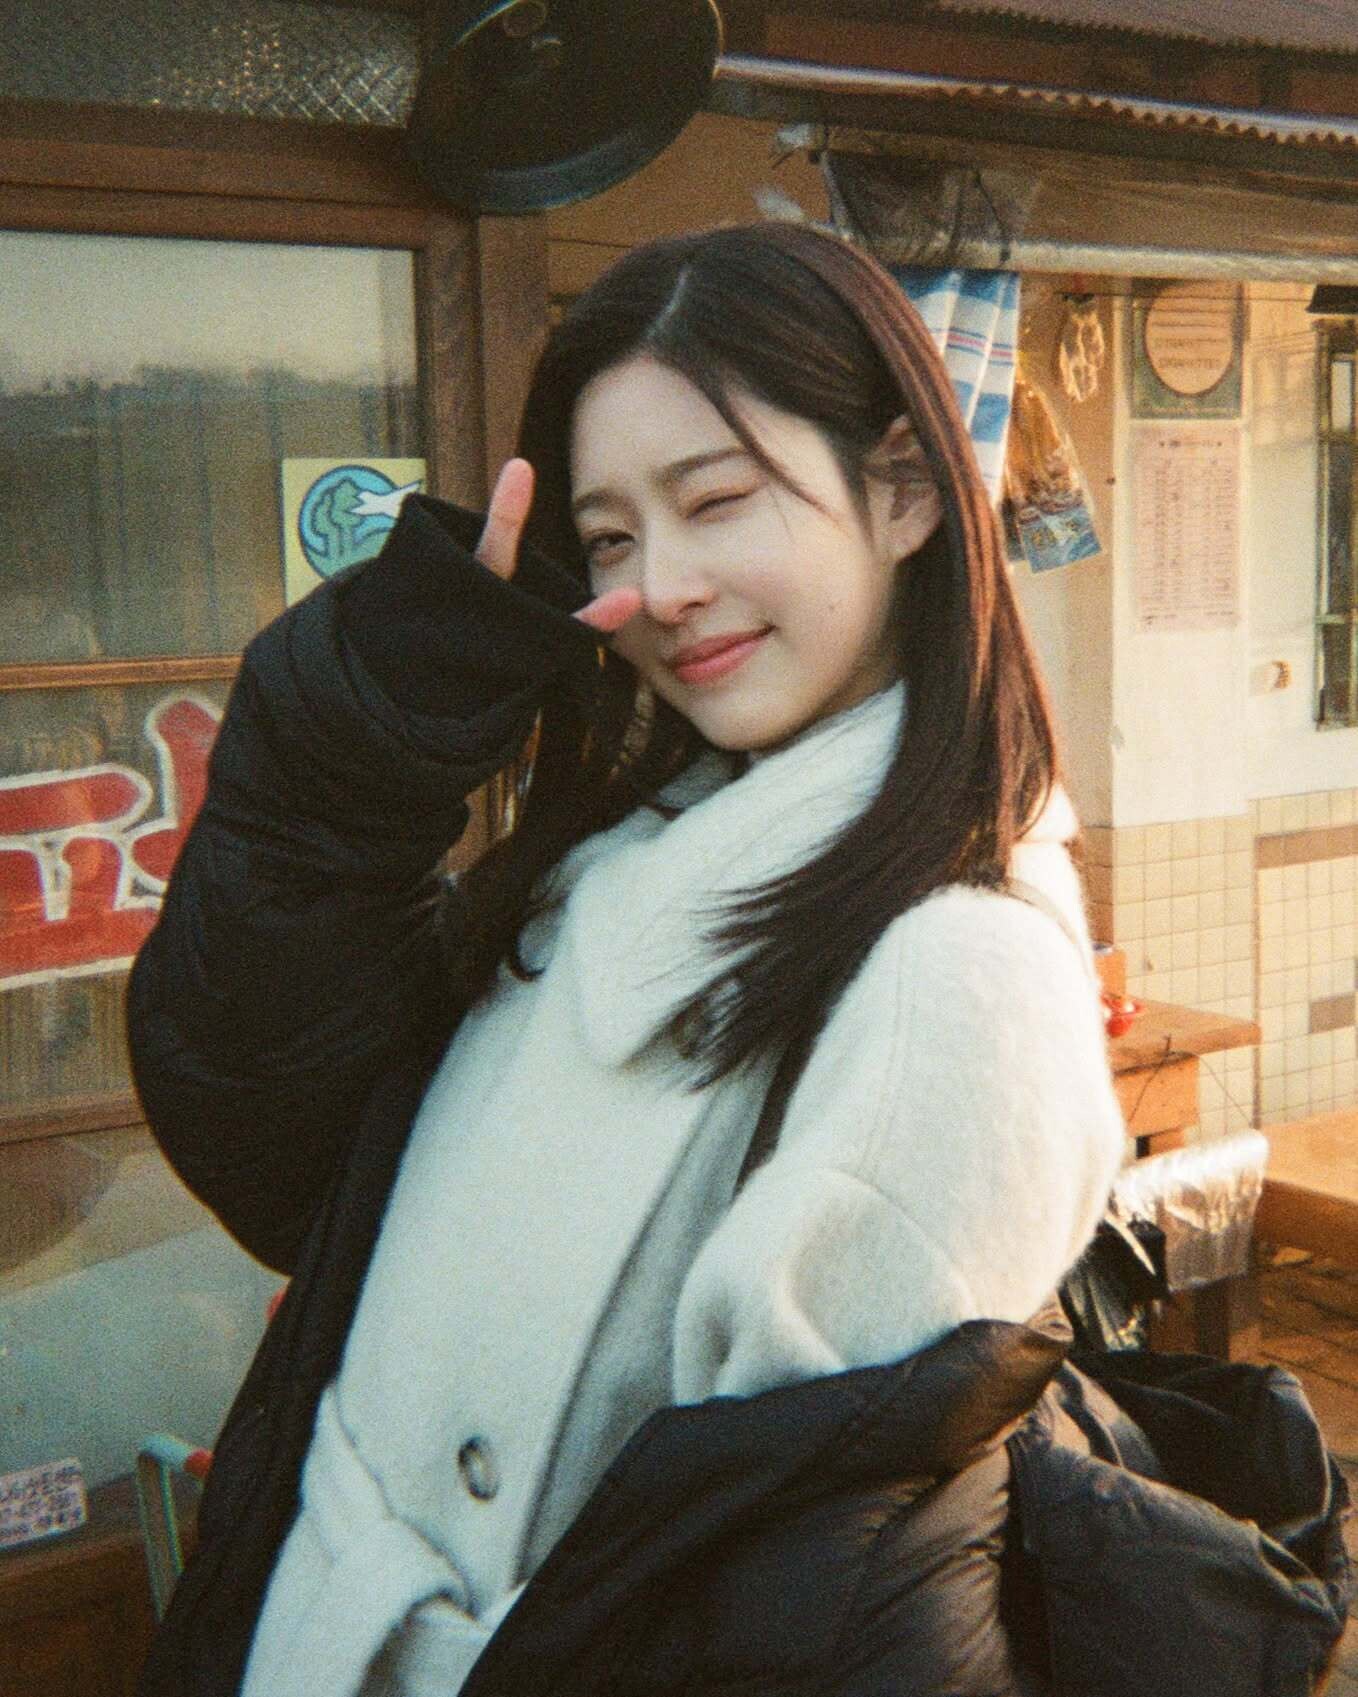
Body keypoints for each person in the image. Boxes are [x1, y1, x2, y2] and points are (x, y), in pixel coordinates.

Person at [128, 223, 1347, 1697]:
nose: (663, 585)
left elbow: (763, 1614)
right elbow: (281, 1153)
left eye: (715, 502)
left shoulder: (955, 983)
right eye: (613, 538)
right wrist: (367, 737)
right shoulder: (622, 859)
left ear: (902, 491)